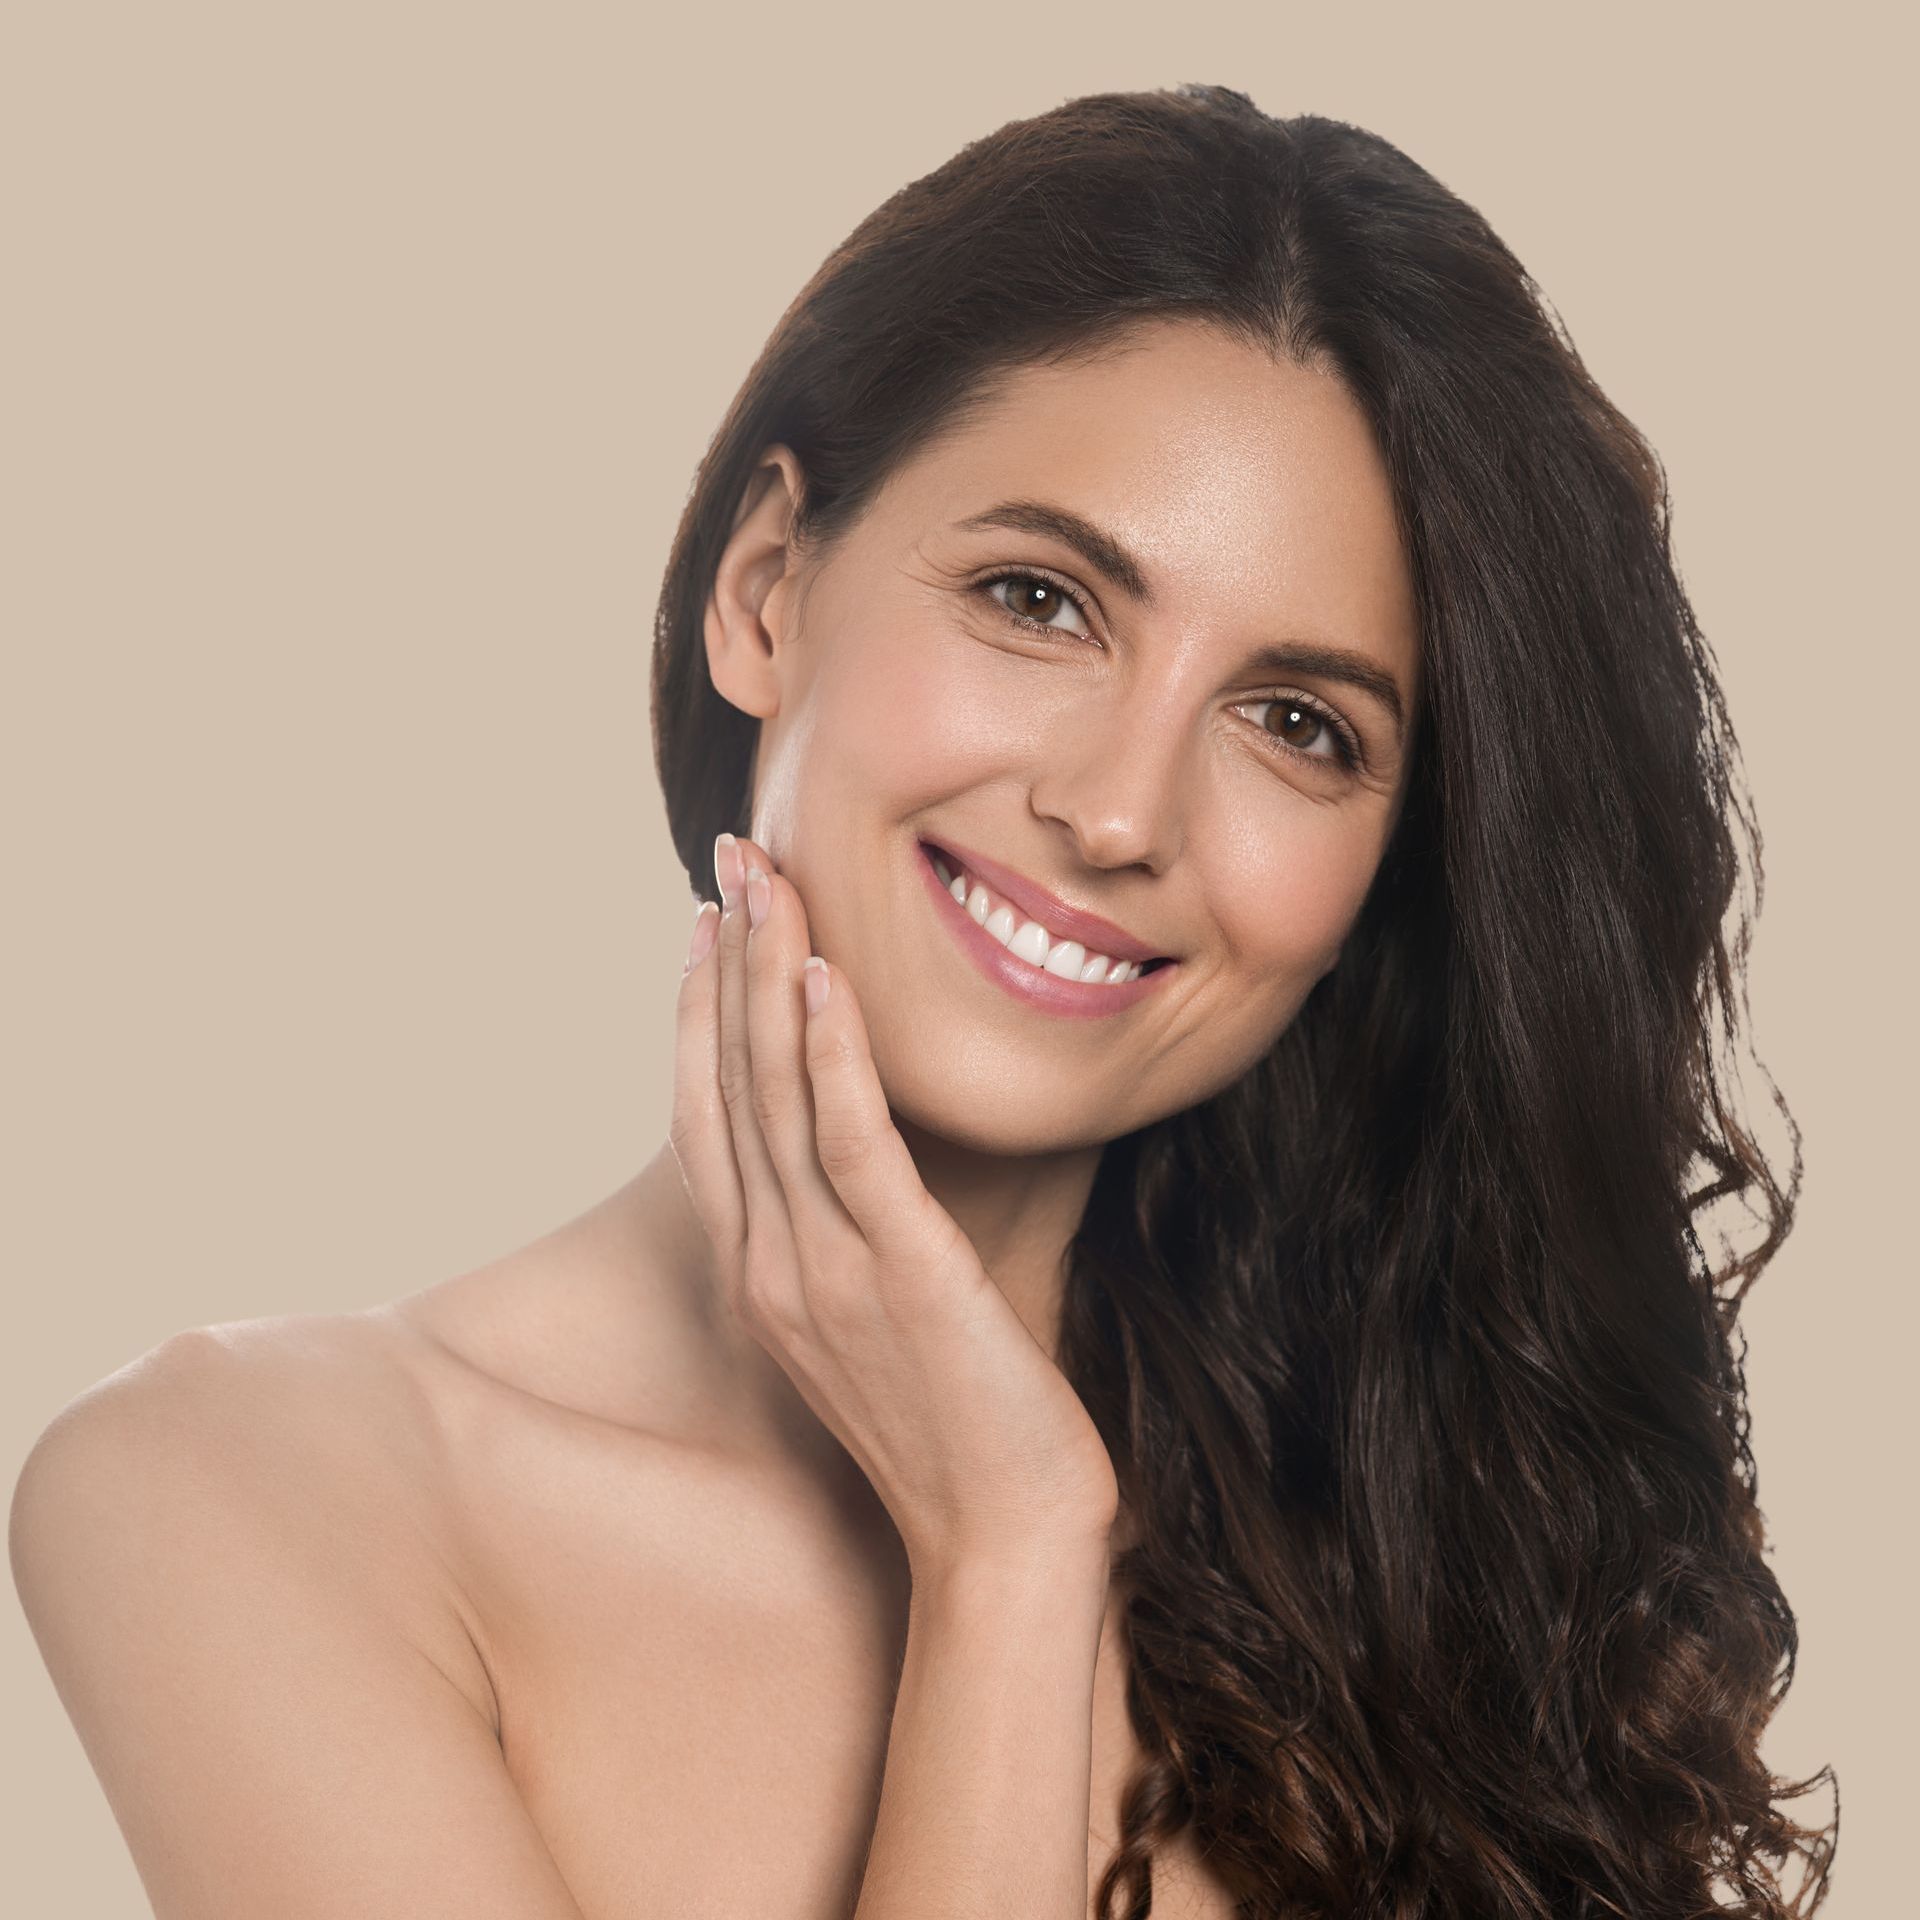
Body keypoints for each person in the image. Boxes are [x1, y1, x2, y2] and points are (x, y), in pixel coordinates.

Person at [9, 84, 1836, 1920]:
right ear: (764, 589)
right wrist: (1007, 1554)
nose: (1119, 813)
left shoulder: (1455, 1558)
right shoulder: (245, 1494)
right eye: (1039, 600)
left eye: (1299, 725)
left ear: (1384, 881)